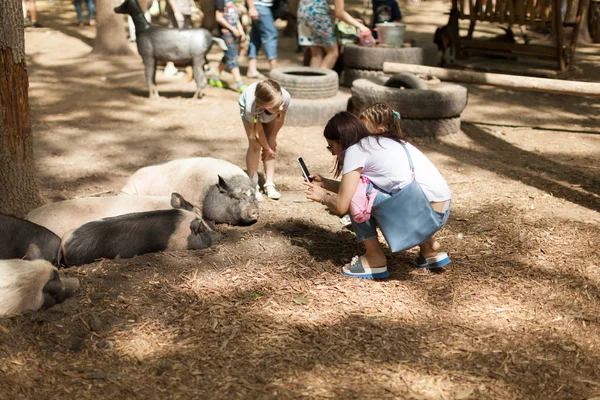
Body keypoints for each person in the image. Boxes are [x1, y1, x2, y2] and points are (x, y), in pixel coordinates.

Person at [303, 105, 452, 279]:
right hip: (439, 211)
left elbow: (342, 205)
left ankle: (374, 258)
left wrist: (323, 197)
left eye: (331, 147)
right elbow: (371, 188)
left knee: (360, 195)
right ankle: (428, 248)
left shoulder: (356, 150)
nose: (332, 153)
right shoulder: (389, 141)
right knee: (365, 189)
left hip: (422, 215)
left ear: (341, 140)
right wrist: (326, 183)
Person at [238, 80, 291, 200]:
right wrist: (265, 148)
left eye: (281, 103)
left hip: (272, 115)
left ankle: (269, 184)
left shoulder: (285, 97)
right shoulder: (250, 108)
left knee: (271, 144)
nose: (281, 107)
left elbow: (280, 118)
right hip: (253, 119)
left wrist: (272, 139)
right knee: (255, 145)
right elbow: (258, 130)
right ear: (262, 105)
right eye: (276, 106)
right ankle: (253, 184)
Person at [297, 0, 371, 69]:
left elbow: (324, 8)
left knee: (316, 54)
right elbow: (339, 13)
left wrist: (351, 20)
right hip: (318, 16)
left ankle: (311, 81)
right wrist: (361, 26)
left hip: (304, 11)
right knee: (332, 53)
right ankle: (321, 81)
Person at [210, 0, 248, 93]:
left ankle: (215, 77)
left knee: (228, 56)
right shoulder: (220, 1)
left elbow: (235, 17)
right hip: (226, 34)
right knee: (232, 57)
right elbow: (218, 17)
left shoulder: (232, 1)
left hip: (234, 32)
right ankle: (239, 83)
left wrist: (240, 30)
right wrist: (232, 29)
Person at [245, 0, 278, 79]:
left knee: (256, 37)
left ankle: (251, 69)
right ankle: (274, 69)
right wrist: (251, 7)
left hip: (261, 6)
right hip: (260, 6)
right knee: (271, 35)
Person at [163, 0, 195, 77]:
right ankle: (169, 67)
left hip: (185, 11)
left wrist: (191, 5)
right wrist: (176, 11)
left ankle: (188, 64)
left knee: (185, 39)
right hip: (177, 13)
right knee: (173, 39)